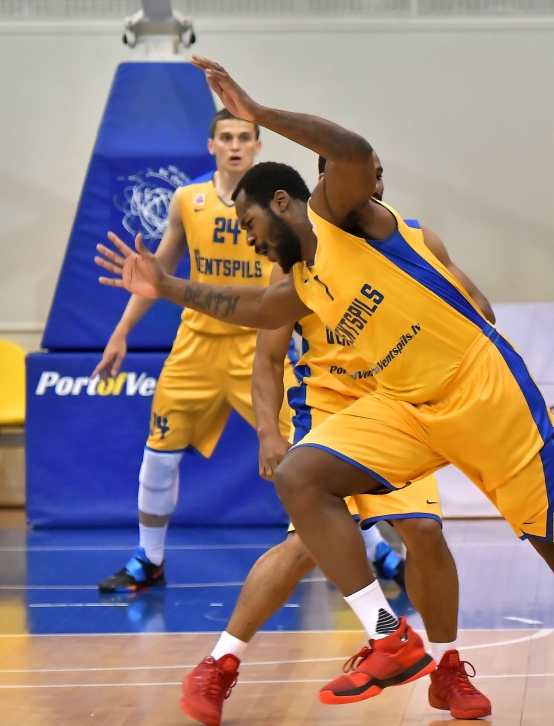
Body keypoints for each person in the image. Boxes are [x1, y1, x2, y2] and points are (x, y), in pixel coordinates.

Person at [96, 55, 554, 726]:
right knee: (299, 477)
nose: (251, 241)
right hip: (404, 406)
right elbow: (254, 311)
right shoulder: (301, 283)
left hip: (485, 394)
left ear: (283, 202)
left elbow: (353, 152)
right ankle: (388, 635)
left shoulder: (344, 217)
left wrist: (261, 115)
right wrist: (166, 287)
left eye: (251, 225)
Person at [179, 154, 493, 726]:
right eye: (360, 172)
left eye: (378, 171)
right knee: (305, 547)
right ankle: (219, 664)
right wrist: (268, 432)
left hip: (399, 403)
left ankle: (447, 669)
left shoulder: (412, 240)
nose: (373, 180)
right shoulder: (297, 267)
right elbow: (267, 362)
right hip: (330, 409)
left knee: (424, 531)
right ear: (327, 184)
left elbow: (480, 311)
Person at [90, 110, 406, 591]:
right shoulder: (187, 200)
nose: (235, 145)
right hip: (195, 346)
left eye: (243, 137)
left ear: (257, 146)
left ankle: (375, 550)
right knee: (159, 454)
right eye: (226, 137)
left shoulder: (281, 204)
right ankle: (148, 558)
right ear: (211, 145)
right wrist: (121, 330)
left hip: (260, 341)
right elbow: (157, 274)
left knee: (315, 457)